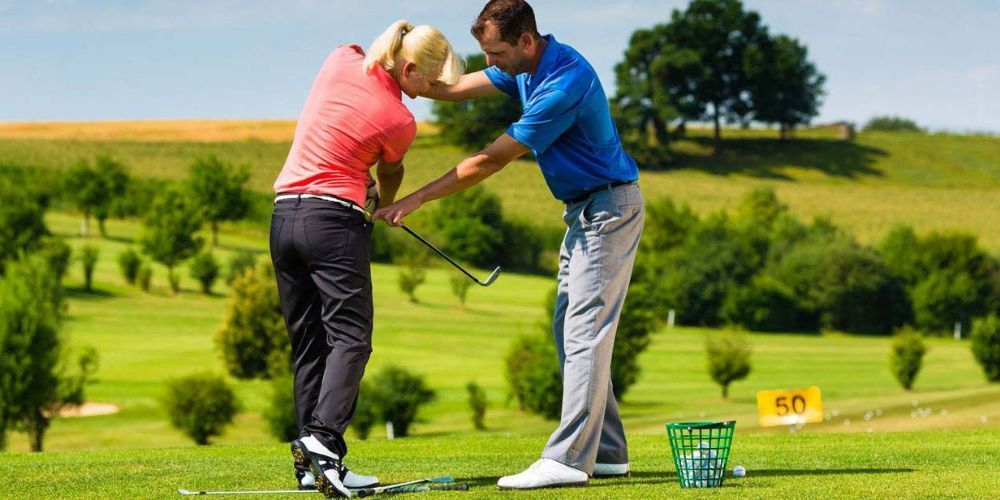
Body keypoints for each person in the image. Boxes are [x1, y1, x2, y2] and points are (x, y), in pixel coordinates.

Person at [373, 0, 643, 490]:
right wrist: (405, 79)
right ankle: (606, 452)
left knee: (585, 333)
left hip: (609, 211)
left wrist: (410, 201)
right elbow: (456, 88)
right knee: (570, 331)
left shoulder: (563, 84)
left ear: (525, 41)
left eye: (495, 53)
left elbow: (490, 160)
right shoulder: (522, 67)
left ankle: (567, 459)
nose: (490, 62)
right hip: (585, 213)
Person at [269, 20, 462, 498]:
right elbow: (388, 172)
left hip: (283, 219)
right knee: (351, 339)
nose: (431, 92)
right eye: (430, 82)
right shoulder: (401, 121)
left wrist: (362, 178)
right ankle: (323, 442)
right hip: (333, 224)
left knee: (310, 342)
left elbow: (345, 132)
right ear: (410, 67)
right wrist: (382, 203)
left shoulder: (340, 58)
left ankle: (314, 464)